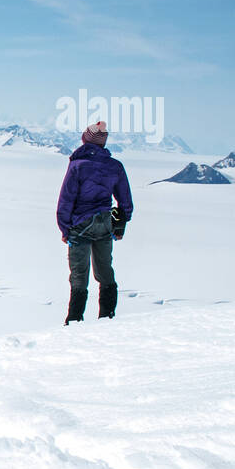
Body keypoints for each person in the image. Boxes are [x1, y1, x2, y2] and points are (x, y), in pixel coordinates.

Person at [56, 120, 133, 324]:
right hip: (104, 223)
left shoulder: (77, 165)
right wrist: (120, 224)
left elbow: (66, 199)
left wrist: (65, 228)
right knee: (105, 270)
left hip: (80, 225)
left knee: (79, 274)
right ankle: (107, 317)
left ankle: (74, 320)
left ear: (86, 139)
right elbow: (125, 199)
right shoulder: (115, 166)